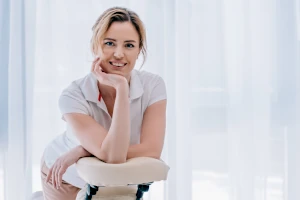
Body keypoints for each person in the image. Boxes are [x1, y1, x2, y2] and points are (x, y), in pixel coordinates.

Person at [40, 6, 167, 200]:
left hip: (113, 177)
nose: (118, 54)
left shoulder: (153, 85)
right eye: (109, 43)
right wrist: (101, 151)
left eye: (129, 45)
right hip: (66, 177)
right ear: (95, 46)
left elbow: (151, 150)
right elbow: (112, 156)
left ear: (139, 50)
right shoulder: (73, 95)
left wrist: (83, 150)